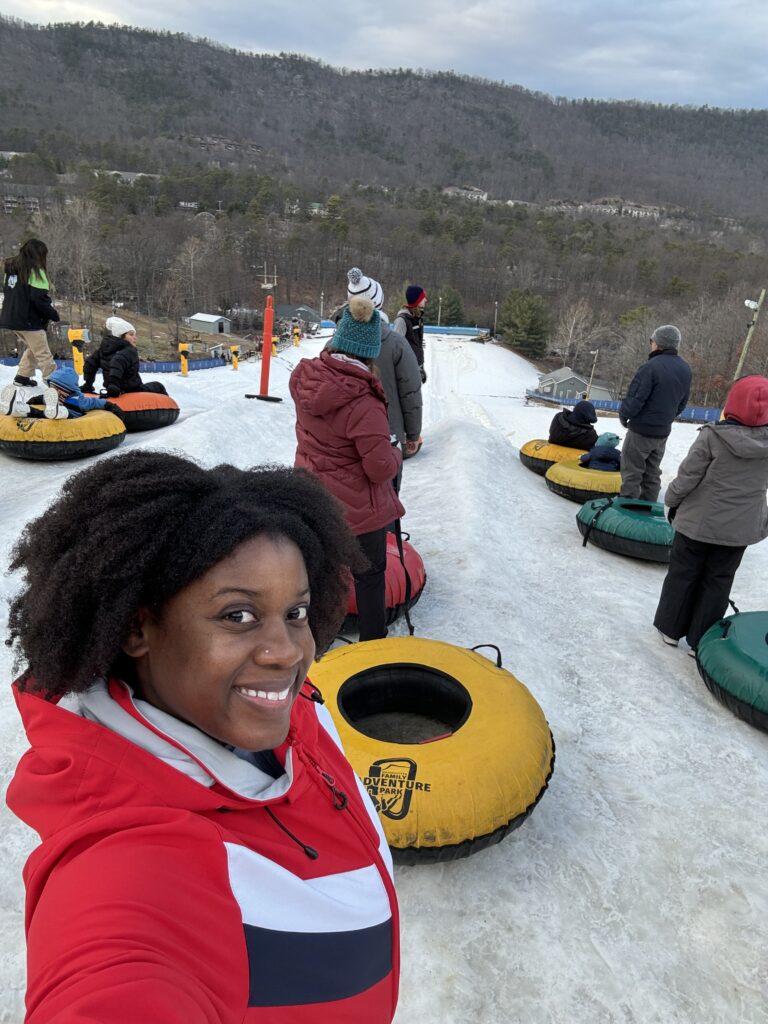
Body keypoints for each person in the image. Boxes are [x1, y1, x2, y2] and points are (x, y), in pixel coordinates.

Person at [5, 451, 399, 1022]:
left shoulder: (279, 710)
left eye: (297, 611)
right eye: (237, 616)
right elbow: (113, 976)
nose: (289, 651)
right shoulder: (126, 873)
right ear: (137, 628)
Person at [290, 295, 404, 642]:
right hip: (355, 511)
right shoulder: (363, 401)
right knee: (369, 575)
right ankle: (373, 644)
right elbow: (380, 468)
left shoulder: (307, 380)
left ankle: (313, 642)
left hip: (311, 499)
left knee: (320, 576)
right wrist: (395, 454)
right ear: (370, 351)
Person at [653, 374, 768, 656]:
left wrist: (672, 499)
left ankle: (670, 628)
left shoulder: (712, 437)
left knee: (683, 573)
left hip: (697, 523)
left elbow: (688, 477)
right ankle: (700, 638)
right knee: (719, 581)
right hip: (740, 529)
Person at [337, 268, 423, 488]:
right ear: (378, 303)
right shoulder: (395, 343)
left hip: (342, 441)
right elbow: (410, 392)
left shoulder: (332, 347)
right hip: (388, 436)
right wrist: (412, 435)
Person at [619, 325, 692, 502]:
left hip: (640, 430)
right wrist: (666, 418)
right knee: (652, 473)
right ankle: (648, 510)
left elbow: (636, 398)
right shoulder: (685, 369)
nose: (651, 344)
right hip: (662, 432)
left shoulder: (650, 367)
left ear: (659, 344)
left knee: (632, 472)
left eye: (652, 341)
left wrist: (624, 414)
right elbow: (682, 402)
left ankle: (627, 513)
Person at [0, 238, 60, 413]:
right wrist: (53, 314)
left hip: (11, 318)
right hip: (29, 320)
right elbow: (38, 299)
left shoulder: (11, 270)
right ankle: (56, 385)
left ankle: (22, 376)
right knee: (43, 353)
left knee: (34, 348)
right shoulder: (36, 272)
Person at [82, 316, 168, 396]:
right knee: (159, 386)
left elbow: (90, 363)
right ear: (121, 336)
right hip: (132, 390)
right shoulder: (129, 350)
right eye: (131, 334)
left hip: (113, 390)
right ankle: (170, 408)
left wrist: (88, 383)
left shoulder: (103, 350)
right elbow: (118, 362)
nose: (135, 338)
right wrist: (114, 384)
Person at [393, 285, 427, 382]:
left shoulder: (417, 318)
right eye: (423, 298)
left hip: (415, 369)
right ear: (417, 300)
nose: (426, 300)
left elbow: (415, 346)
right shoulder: (402, 321)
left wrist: (421, 367)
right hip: (406, 372)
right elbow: (395, 348)